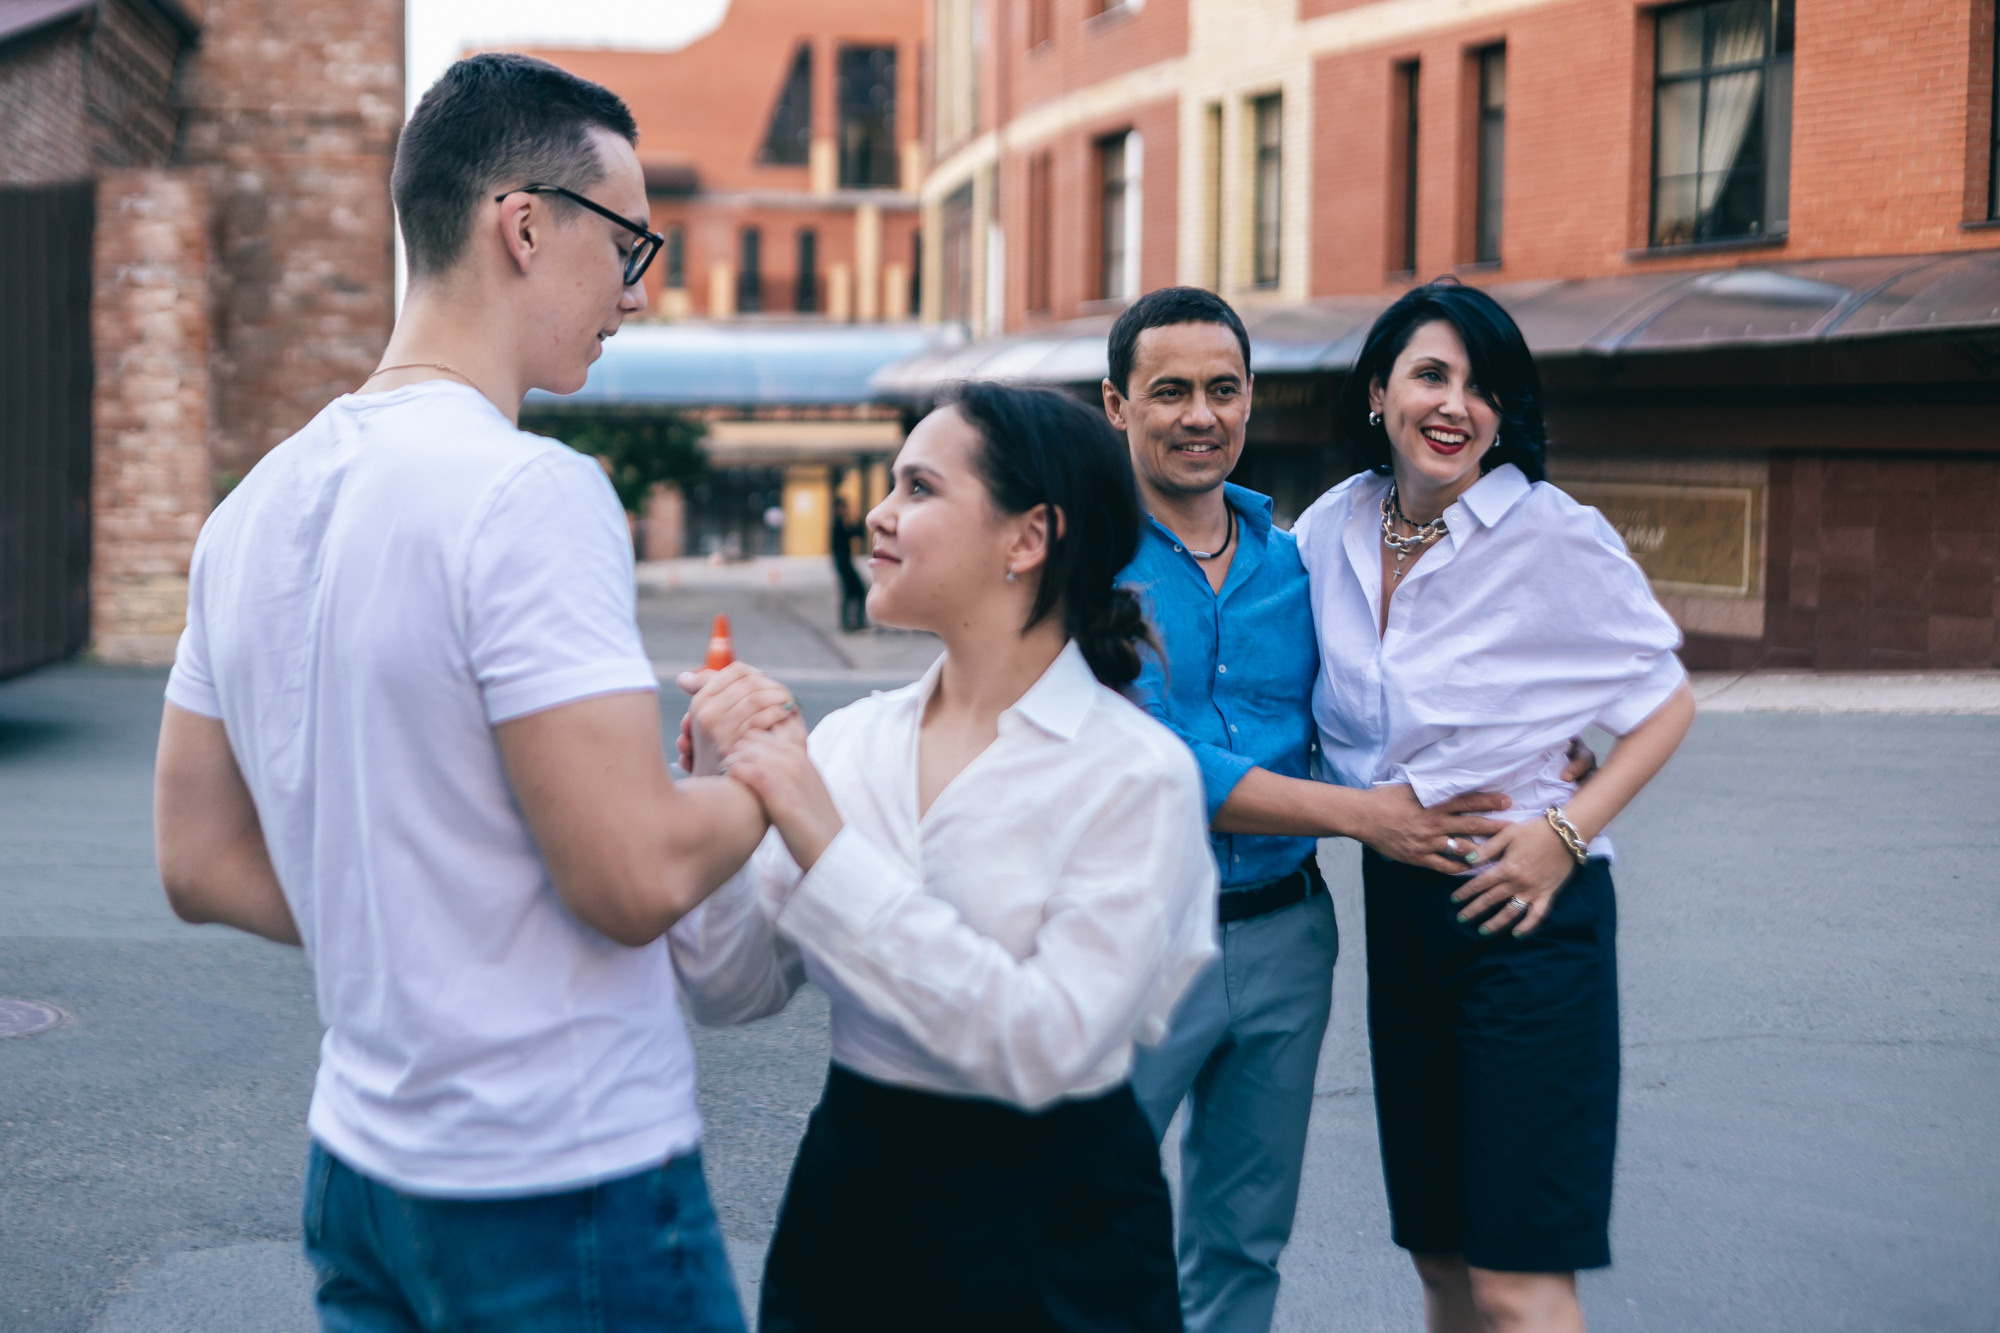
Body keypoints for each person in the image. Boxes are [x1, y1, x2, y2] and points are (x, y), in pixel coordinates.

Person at [152, 55, 769, 1331]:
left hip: (362, 1167)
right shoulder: (527, 491)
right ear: (525, 225)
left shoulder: (248, 512)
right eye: (628, 245)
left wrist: (412, 919)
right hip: (557, 1173)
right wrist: (769, 776)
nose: (635, 293)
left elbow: (199, 862)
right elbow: (633, 875)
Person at [668, 381, 1218, 1332]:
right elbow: (730, 990)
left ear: (1029, 537)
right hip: (851, 1202)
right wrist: (722, 785)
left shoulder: (1136, 773)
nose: (878, 515)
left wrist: (825, 844)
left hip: (1057, 1228)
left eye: (918, 487)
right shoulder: (851, 742)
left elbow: (1047, 1045)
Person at [1103, 286, 1594, 1333]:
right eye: (1170, 391)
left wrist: (1534, 736)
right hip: (1130, 931)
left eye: (1222, 389)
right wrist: (1363, 815)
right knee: (1082, 1220)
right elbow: (1148, 757)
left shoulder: (1301, 554)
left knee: (1241, 1242)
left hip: (1285, 939)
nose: (1200, 415)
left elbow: (1384, 691)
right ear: (1117, 405)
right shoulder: (1081, 561)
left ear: (1250, 398)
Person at [1291, 279, 1694, 1333]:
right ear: (1377, 391)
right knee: (1441, 1259)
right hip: (1401, 906)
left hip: (1528, 914)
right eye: (1430, 374)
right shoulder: (1330, 529)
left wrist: (1565, 834)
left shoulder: (1548, 532)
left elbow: (1663, 703)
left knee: (1518, 1280)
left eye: (1481, 388)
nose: (1454, 405)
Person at [830, 493, 869, 631]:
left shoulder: (840, 522)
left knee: (851, 593)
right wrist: (858, 520)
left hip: (844, 563)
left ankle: (850, 623)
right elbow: (856, 533)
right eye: (844, 507)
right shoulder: (839, 523)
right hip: (843, 564)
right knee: (857, 591)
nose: (846, 510)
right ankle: (853, 623)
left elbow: (856, 533)